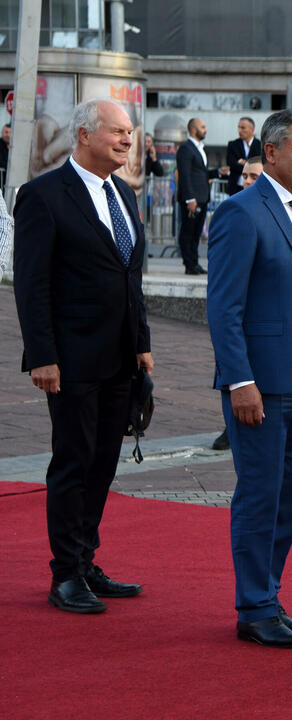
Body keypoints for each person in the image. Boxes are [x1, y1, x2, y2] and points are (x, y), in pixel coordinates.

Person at [207, 109, 292, 648]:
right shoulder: (242, 213)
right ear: (272, 154)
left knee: (289, 495)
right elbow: (223, 308)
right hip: (258, 387)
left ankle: (270, 595)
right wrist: (239, 380)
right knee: (260, 494)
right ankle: (254, 606)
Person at [13, 98, 154, 614]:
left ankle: (86, 560)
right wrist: (42, 356)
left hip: (120, 358)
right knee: (73, 462)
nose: (126, 140)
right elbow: (31, 286)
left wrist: (142, 345)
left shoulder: (125, 195)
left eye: (129, 132)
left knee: (103, 464)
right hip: (70, 360)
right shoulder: (42, 196)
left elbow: (130, 279)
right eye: (116, 131)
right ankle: (65, 575)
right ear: (84, 134)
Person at [210, 155, 265, 453]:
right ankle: (230, 428)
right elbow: (223, 300)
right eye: (245, 176)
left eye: (254, 177)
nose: (247, 182)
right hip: (239, 337)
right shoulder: (234, 213)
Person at [176, 117, 227, 275]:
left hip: (203, 198)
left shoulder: (200, 148)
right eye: (202, 127)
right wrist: (190, 199)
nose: (205, 130)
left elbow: (201, 174)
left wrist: (218, 172)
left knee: (197, 233)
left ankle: (195, 263)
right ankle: (189, 264)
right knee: (188, 232)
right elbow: (184, 175)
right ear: (193, 129)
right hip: (193, 200)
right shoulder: (186, 149)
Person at [225, 117, 262, 196]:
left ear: (252, 129)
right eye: (238, 127)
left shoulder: (260, 145)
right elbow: (231, 163)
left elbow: (261, 165)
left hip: (254, 188)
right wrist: (250, 166)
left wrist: (241, 162)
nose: (239, 130)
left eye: (243, 128)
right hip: (235, 188)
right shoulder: (233, 144)